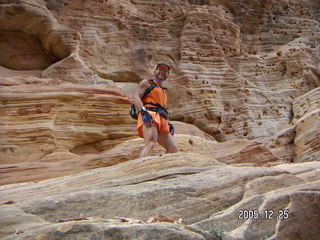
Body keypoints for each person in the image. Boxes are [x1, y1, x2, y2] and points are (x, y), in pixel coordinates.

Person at [133, 63, 179, 157]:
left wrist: (168, 123)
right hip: (150, 115)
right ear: (155, 71)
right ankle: (142, 167)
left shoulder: (163, 91)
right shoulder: (147, 83)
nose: (162, 72)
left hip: (162, 119)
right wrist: (143, 112)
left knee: (173, 149)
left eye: (165, 71)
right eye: (160, 69)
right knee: (150, 143)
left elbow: (162, 108)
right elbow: (136, 97)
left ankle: (162, 168)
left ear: (167, 75)